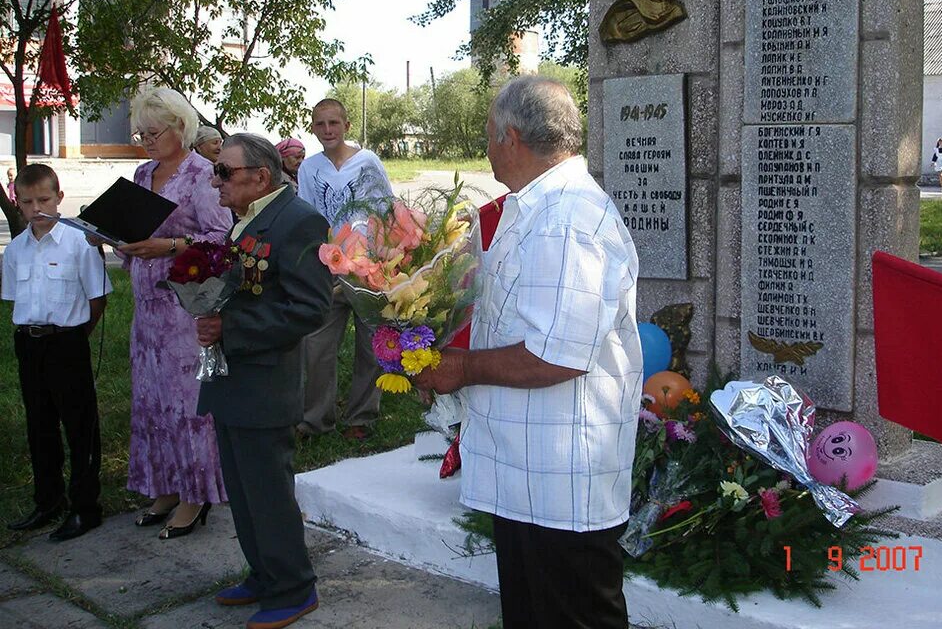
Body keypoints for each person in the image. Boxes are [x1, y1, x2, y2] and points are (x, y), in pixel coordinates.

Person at [415, 76, 642, 629]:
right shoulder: (535, 209)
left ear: (510, 137)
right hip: (526, 463)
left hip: (560, 470)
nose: (487, 148)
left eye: (488, 136)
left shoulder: (567, 219)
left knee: (572, 615)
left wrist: (462, 367)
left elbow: (556, 355)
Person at [196, 133, 332, 629]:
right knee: (244, 488)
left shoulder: (299, 221)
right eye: (217, 170)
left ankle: (294, 587)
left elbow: (309, 309)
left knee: (269, 493)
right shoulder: (250, 217)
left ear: (261, 177)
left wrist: (230, 327)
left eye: (225, 172)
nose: (217, 180)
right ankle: (264, 573)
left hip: (265, 383)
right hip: (235, 379)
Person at [122, 87, 233, 539]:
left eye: (154, 131)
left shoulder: (201, 174)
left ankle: (194, 494)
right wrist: (107, 234)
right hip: (146, 308)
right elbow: (130, 227)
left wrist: (167, 246)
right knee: (151, 400)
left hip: (185, 309)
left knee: (188, 404)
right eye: (141, 132)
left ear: (180, 128)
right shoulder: (143, 172)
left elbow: (222, 236)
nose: (146, 140)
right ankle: (163, 486)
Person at [3, 164, 110, 541]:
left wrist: (77, 335)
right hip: (29, 343)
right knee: (40, 424)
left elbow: (97, 298)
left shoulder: (78, 242)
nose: (37, 209)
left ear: (60, 198)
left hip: (67, 340)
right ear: (18, 203)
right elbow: (16, 297)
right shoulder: (15, 249)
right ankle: (48, 500)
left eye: (44, 200)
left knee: (80, 426)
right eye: (28, 202)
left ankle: (85, 507)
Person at [297, 99, 392, 438]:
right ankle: (315, 418)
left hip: (367, 268)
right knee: (317, 344)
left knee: (371, 344)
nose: (327, 130)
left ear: (347, 125)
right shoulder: (309, 168)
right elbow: (308, 218)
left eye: (334, 123)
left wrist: (381, 259)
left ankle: (361, 416)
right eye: (320, 124)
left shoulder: (368, 163)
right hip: (329, 267)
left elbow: (386, 211)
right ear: (312, 128)